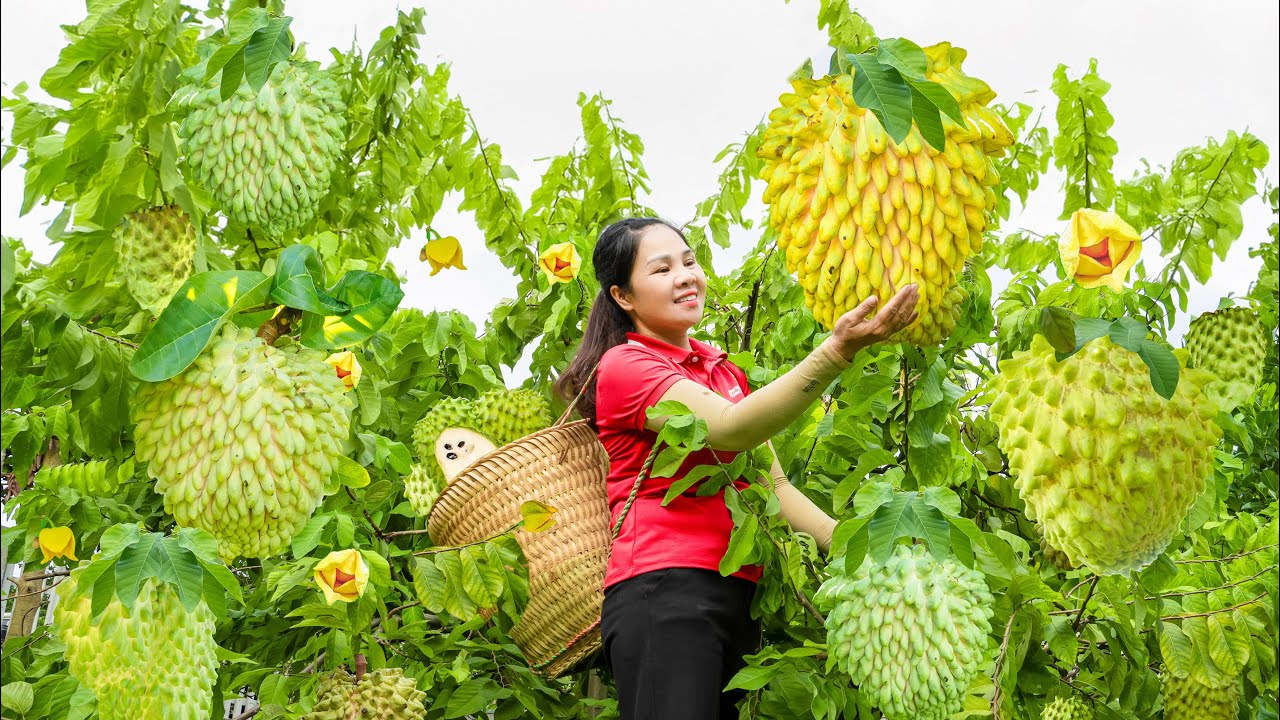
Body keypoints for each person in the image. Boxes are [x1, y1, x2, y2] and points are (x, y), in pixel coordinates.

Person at [554, 217, 919, 720]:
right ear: (623, 297)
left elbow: (772, 484)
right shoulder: (626, 366)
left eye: (689, 262)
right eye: (662, 269)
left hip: (736, 592)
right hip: (663, 591)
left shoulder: (723, 370)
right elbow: (729, 429)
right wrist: (836, 351)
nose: (685, 276)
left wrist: (856, 550)